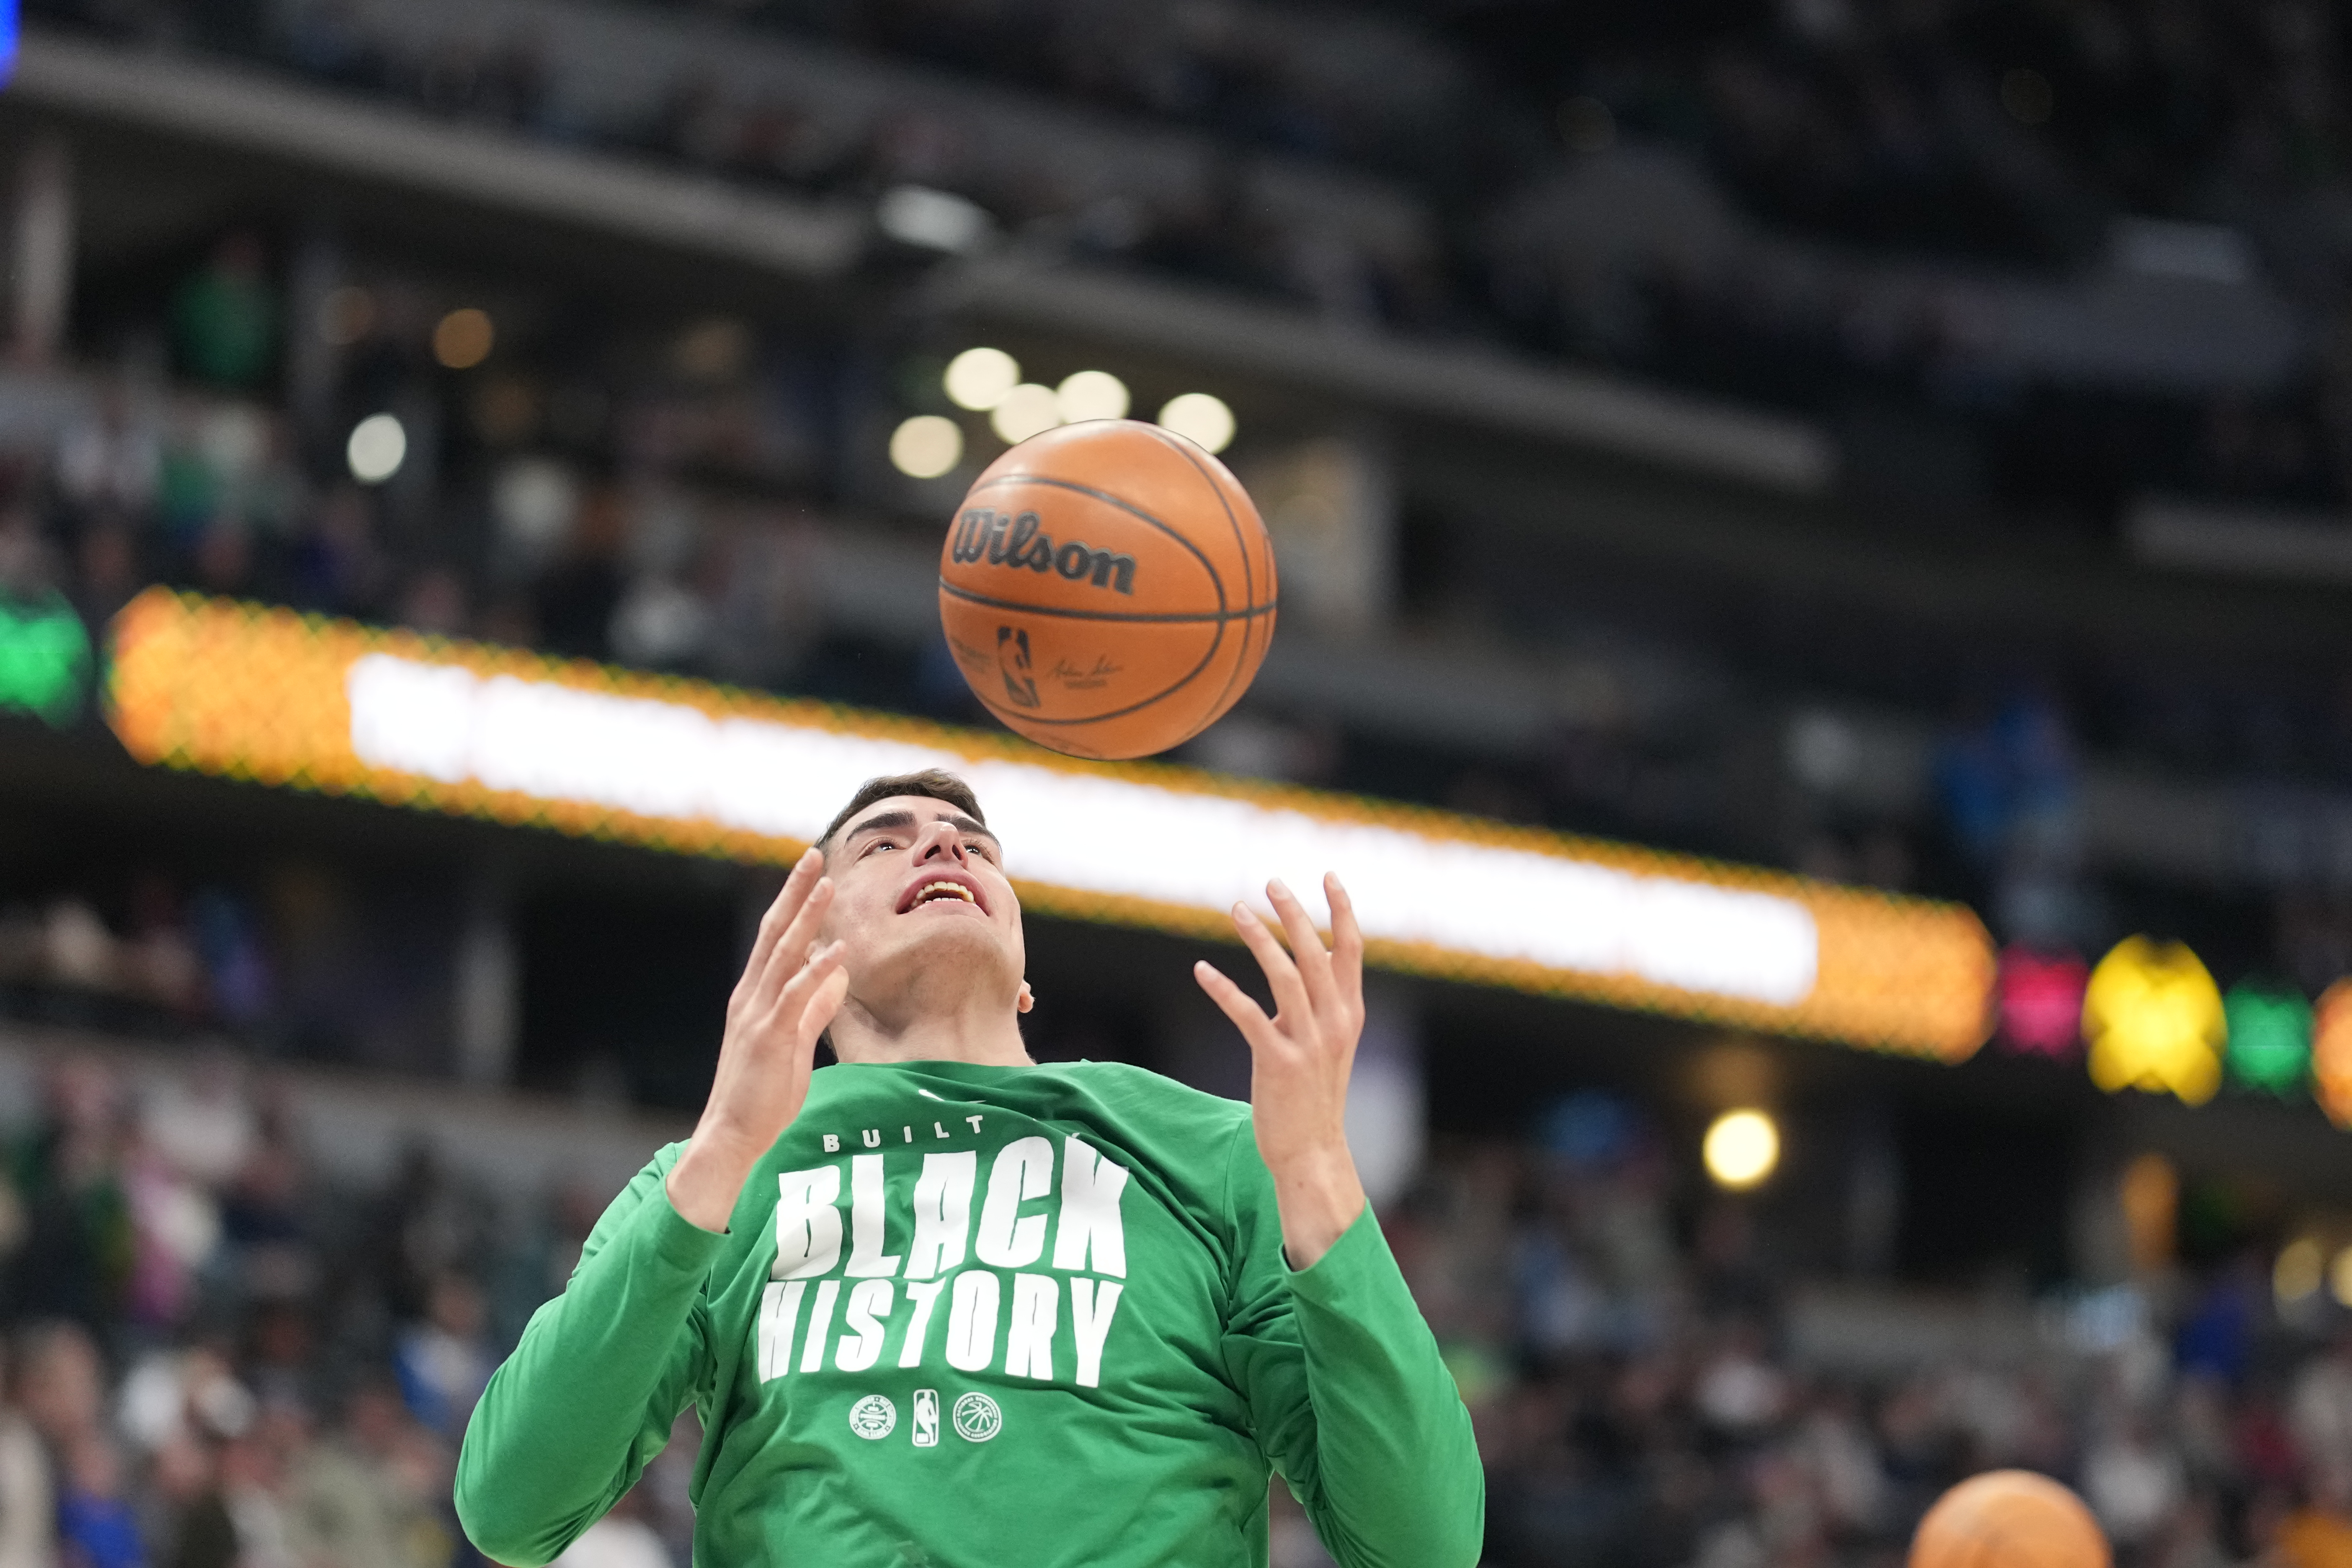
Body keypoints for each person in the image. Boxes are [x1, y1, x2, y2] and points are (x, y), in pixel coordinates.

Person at [456, 769, 1482, 1567]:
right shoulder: (716, 1177)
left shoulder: (1221, 1150)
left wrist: (1315, 1169)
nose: (941, 841)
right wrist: (725, 1144)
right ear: (812, 944)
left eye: (972, 845)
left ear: (1026, 970)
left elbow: (1421, 1545)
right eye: (883, 843)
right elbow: (513, 1507)